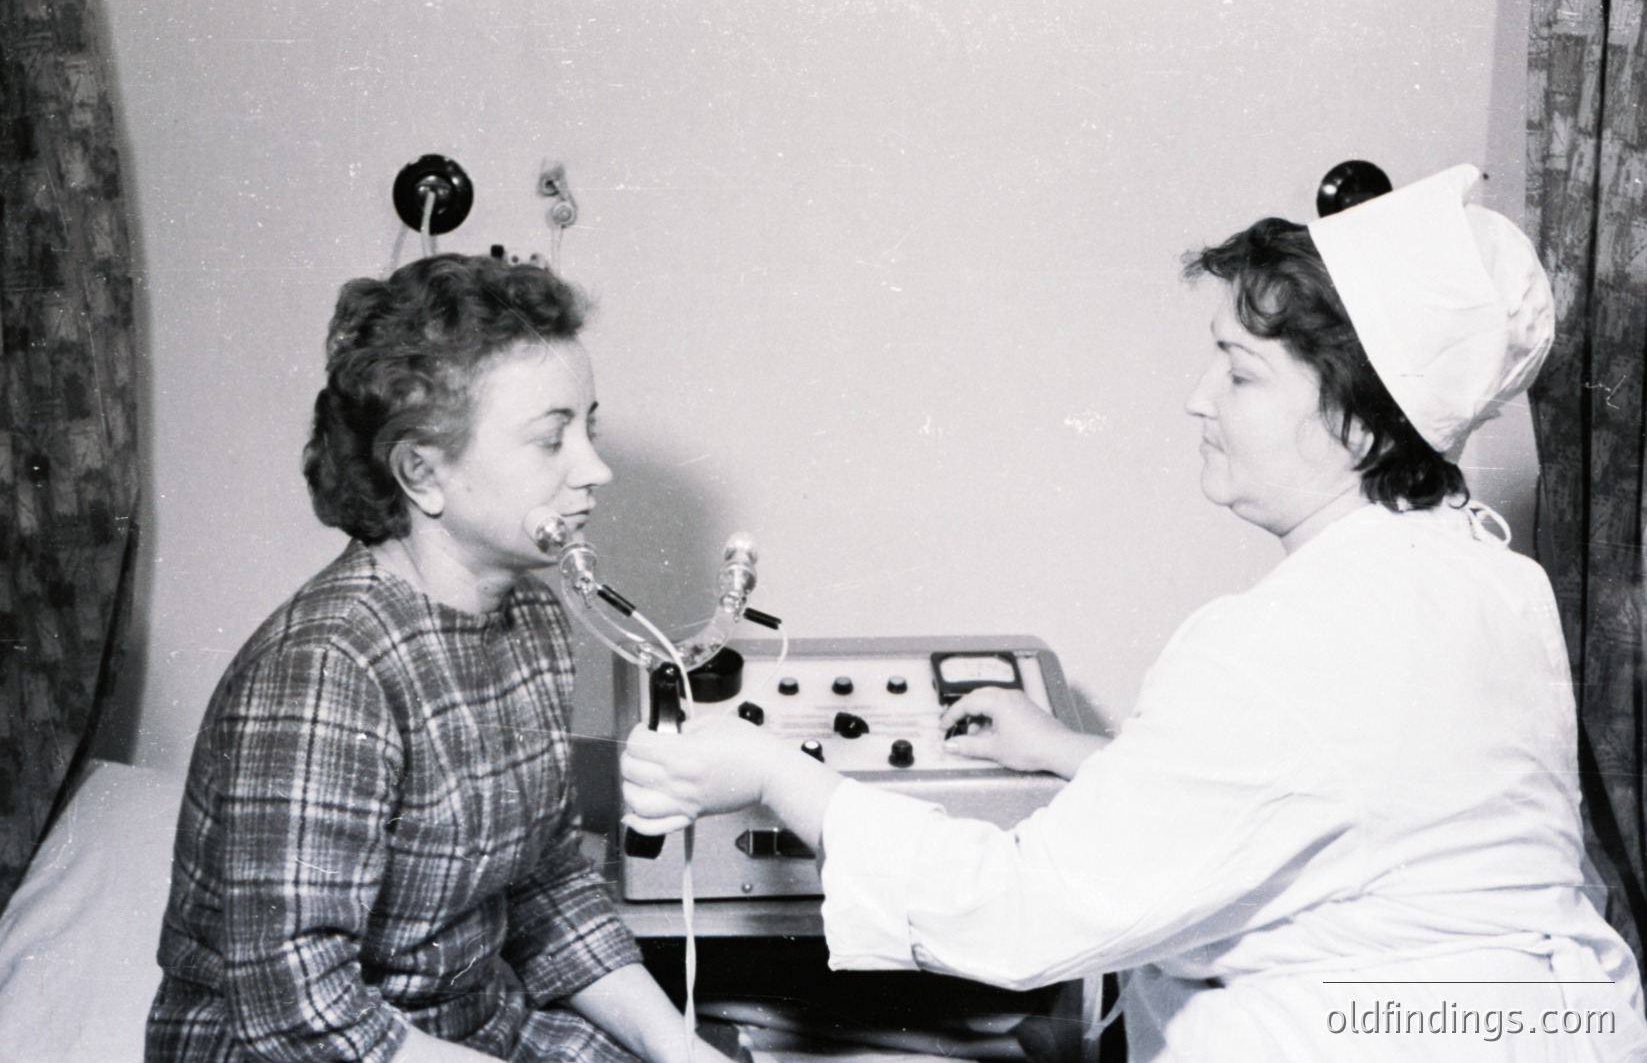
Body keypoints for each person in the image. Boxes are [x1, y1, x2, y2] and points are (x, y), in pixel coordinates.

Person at [621, 165, 1647, 1060]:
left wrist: (774, 774)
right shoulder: (1495, 580)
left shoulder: (1276, 643)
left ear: (1359, 422)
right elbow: (1350, 806)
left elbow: (1020, 916)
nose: (1200, 398)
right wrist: (1068, 747)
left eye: (1240, 369)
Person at [147, 254, 730, 1063]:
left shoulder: (529, 616)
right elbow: (299, 1010)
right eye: (552, 439)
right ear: (422, 471)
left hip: (467, 1025)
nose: (593, 470)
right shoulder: (328, 668)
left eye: (588, 428)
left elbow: (546, 886)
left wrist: (678, 1049)